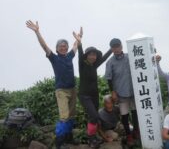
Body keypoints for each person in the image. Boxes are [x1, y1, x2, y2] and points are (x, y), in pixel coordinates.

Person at [26, 20, 82, 148]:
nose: (63, 47)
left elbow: (75, 45)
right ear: (57, 49)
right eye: (60, 46)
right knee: (64, 116)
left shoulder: (69, 56)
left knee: (72, 115)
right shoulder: (54, 58)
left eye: (65, 46)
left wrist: (79, 38)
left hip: (72, 89)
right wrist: (37, 32)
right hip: (61, 90)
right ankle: (59, 141)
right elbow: (44, 46)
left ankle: (69, 137)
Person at [77, 34, 112, 148]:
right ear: (86, 56)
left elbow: (104, 57)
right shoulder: (82, 65)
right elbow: (80, 55)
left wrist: (111, 49)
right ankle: (91, 140)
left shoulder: (94, 65)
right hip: (84, 96)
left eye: (94, 55)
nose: (93, 57)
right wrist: (79, 44)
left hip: (94, 96)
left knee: (93, 117)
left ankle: (93, 137)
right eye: (91, 55)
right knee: (94, 116)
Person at [105, 38, 139, 146]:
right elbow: (109, 79)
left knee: (135, 113)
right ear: (111, 49)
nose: (116, 49)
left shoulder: (130, 57)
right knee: (124, 115)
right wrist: (113, 92)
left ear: (121, 46)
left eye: (117, 46)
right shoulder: (110, 62)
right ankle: (129, 136)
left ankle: (136, 132)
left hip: (134, 92)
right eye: (114, 47)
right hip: (121, 93)